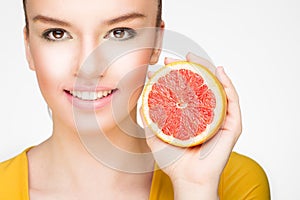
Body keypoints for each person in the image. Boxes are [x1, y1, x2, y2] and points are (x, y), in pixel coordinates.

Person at [0, 0, 270, 199]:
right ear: (28, 47)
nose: (88, 66)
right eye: (57, 33)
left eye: (119, 33)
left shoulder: (234, 183)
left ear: (155, 43)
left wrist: (195, 188)